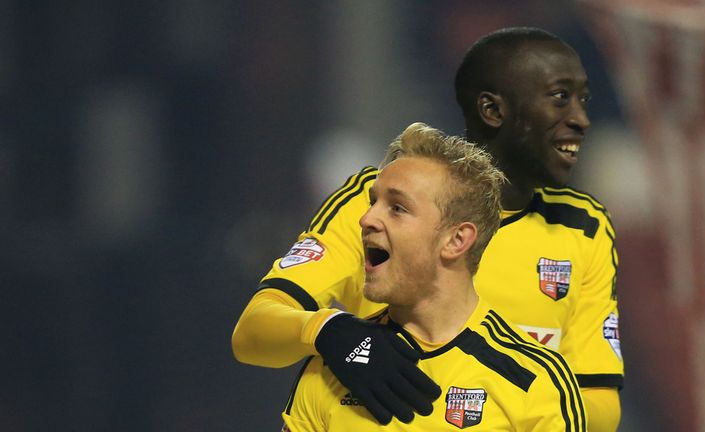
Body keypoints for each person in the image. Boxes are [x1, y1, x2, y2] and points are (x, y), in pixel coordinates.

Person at [232, 27, 622, 431]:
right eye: (559, 99)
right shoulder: (368, 200)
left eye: (582, 102)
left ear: (460, 239)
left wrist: (505, 402)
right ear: (493, 110)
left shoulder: (584, 228)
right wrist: (328, 330)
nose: (579, 120)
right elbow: (253, 329)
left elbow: (598, 401)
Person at [281, 122, 586, 431]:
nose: (366, 219)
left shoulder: (532, 381)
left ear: (456, 241)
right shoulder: (332, 368)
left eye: (397, 208)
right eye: (374, 202)